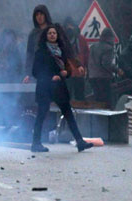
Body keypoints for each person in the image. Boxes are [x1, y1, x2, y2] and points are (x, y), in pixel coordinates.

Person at [31, 24, 93, 153]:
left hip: (59, 87)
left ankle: (80, 141)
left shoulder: (61, 51)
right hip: (45, 87)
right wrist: (50, 77)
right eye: (50, 33)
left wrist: (67, 73)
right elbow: (36, 71)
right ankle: (35, 143)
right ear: (45, 36)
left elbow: (67, 69)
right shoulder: (41, 52)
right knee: (41, 114)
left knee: (68, 113)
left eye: (54, 33)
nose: (52, 35)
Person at [88, 28, 122, 108]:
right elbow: (106, 64)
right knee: (106, 101)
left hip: (92, 76)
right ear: (110, 37)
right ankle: (106, 119)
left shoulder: (93, 46)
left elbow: (89, 61)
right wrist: (117, 70)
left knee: (97, 100)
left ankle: (97, 118)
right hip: (103, 78)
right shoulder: (108, 48)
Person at [23, 4, 53, 84]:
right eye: (37, 15)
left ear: (45, 15)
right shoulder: (33, 34)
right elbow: (30, 54)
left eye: (41, 14)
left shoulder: (53, 31)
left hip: (53, 70)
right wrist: (28, 73)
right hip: (40, 71)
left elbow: (63, 48)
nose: (39, 17)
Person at [63, 16, 89, 100]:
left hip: (68, 72)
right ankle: (80, 113)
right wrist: (86, 67)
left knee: (67, 97)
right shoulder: (81, 38)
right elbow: (87, 54)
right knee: (80, 97)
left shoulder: (62, 39)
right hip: (78, 72)